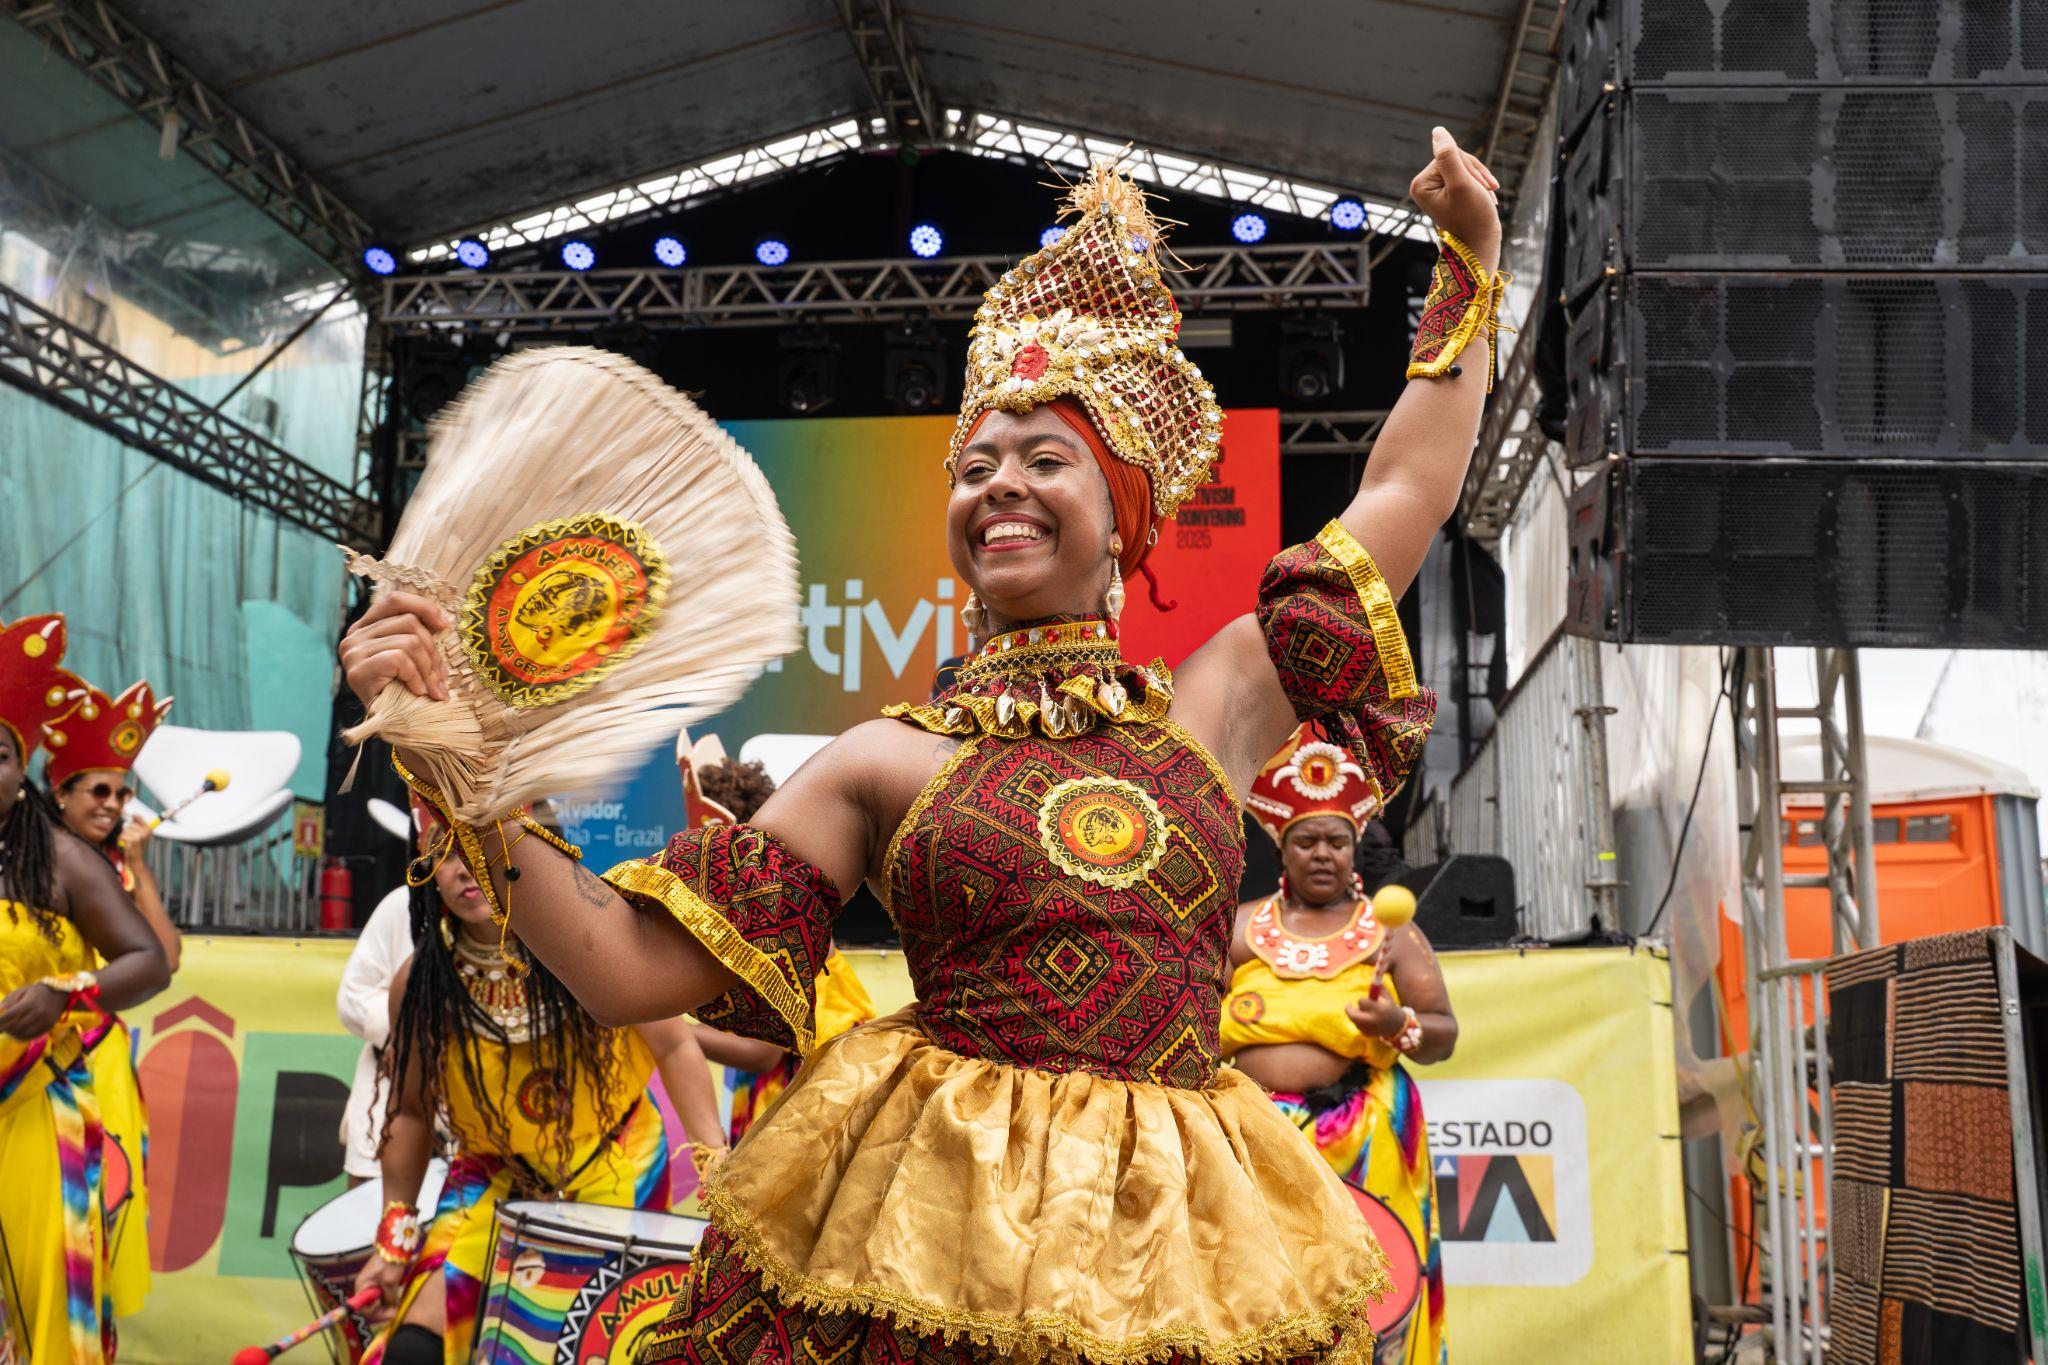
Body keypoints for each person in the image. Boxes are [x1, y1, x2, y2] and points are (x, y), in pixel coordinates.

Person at [341, 130, 1502, 1364]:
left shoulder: (1208, 707)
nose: (999, 484)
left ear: (1124, 520)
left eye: (1046, 460)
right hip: (937, 1236)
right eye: (975, 466)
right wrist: (452, 761)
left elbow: (1401, 502)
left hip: (1176, 1234)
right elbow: (631, 971)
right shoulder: (885, 760)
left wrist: (1468, 271)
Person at [355, 803, 728, 1365]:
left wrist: (714, 1163)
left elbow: (675, 1045)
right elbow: (408, 1113)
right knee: (414, 1350)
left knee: (561, 1348)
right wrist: (395, 1232)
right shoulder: (421, 980)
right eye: (445, 851)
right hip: (494, 1177)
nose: (462, 867)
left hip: (614, 1167)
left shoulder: (594, 940)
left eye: (476, 845)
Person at [1227, 726, 1459, 1364]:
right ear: (1283, 846)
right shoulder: (1243, 927)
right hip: (1257, 1136)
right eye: (1306, 840)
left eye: (1336, 840)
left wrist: (1395, 1026)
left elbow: (1443, 1034)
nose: (1322, 853)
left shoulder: (1390, 932)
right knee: (1261, 1294)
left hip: (1367, 1133)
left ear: (1355, 849)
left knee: (1374, 1291)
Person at [0, 615, 171, 1363]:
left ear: (23, 767)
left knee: (45, 1307)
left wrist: (65, 992)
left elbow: (148, 959)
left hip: (35, 1105)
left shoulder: (62, 859)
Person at [42, 678, 177, 1324]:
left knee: (94, 1218)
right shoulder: (31, 865)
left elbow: (166, 959)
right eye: (99, 789)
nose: (114, 802)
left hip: (99, 1066)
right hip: (31, 1064)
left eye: (122, 792)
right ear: (58, 792)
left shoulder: (118, 870)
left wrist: (140, 866)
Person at [680, 752, 875, 1147]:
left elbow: (762, 1053)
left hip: (803, 1108)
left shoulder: (763, 914)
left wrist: (675, 1037)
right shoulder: (775, 898)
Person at [337, 878, 414, 1188]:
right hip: (388, 1095)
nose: (463, 870)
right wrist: (418, 1036)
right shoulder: (402, 905)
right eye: (448, 855)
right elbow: (353, 998)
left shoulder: (520, 908)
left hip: (480, 1123)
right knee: (376, 1226)